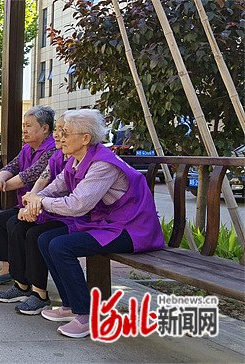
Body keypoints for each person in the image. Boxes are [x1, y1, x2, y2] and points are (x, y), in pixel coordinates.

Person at [25, 109, 164, 338]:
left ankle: (86, 315)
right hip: (108, 224)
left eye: (66, 132)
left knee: (61, 246)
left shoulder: (102, 164)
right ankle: (70, 305)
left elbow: (77, 205)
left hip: (133, 229)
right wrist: (34, 200)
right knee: (45, 239)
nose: (61, 137)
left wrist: (40, 202)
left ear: (85, 138)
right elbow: (57, 186)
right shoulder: (77, 160)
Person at [0, 116, 74, 314]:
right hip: (48, 208)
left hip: (71, 217)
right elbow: (43, 182)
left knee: (35, 234)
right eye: (58, 130)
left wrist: (33, 202)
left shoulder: (66, 154)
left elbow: (31, 176)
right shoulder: (57, 155)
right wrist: (31, 202)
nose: (58, 134)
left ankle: (39, 293)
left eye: (63, 131)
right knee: (16, 225)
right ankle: (21, 284)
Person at [0, 105, 56, 285]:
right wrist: (0, 180)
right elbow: (11, 167)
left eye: (29, 125)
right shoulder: (27, 148)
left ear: (45, 128)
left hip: (44, 208)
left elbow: (30, 175)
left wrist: (0, 187)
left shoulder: (53, 149)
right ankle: (8, 269)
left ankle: (22, 280)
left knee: (14, 224)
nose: (24, 129)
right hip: (24, 205)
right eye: (24, 125)